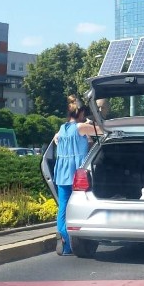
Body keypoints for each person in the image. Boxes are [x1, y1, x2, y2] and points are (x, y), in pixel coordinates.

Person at [53, 95, 98, 255]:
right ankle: (74, 240)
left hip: (61, 172)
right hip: (76, 174)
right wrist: (91, 123)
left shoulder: (61, 129)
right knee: (79, 206)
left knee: (63, 208)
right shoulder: (81, 127)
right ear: (80, 113)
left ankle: (63, 239)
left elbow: (56, 139)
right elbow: (103, 130)